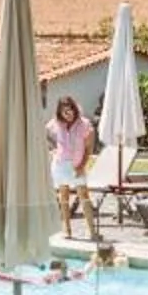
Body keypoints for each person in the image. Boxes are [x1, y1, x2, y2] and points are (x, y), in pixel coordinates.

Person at [47, 94, 98, 238]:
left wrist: (82, 165)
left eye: (70, 110)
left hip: (77, 164)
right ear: (60, 112)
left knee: (84, 196)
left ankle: (92, 231)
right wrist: (53, 150)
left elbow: (89, 149)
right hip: (60, 165)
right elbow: (45, 133)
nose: (68, 114)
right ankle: (67, 230)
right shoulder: (56, 123)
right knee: (63, 197)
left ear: (75, 109)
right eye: (65, 112)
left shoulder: (84, 125)